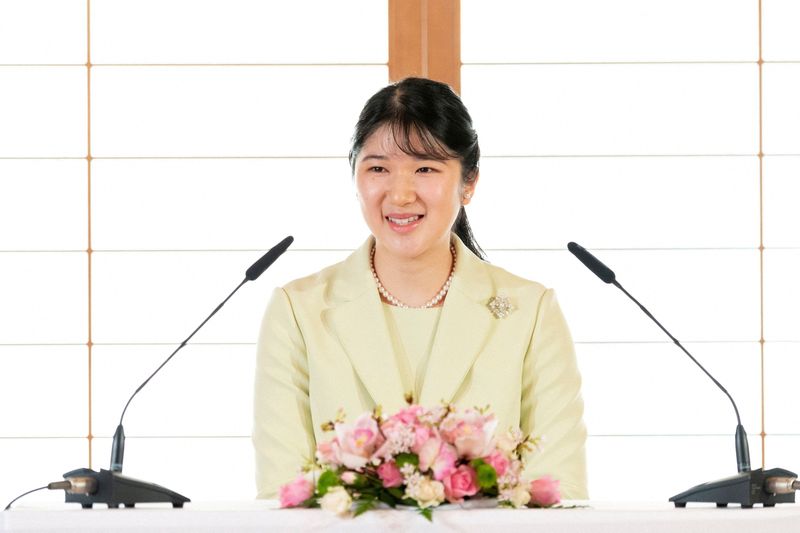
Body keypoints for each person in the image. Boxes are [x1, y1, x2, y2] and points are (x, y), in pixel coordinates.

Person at [253, 77, 587, 500]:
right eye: (378, 168)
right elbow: (285, 494)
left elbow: (560, 492)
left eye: (425, 168)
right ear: (354, 178)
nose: (401, 193)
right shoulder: (299, 311)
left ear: (469, 182)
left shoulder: (530, 311)